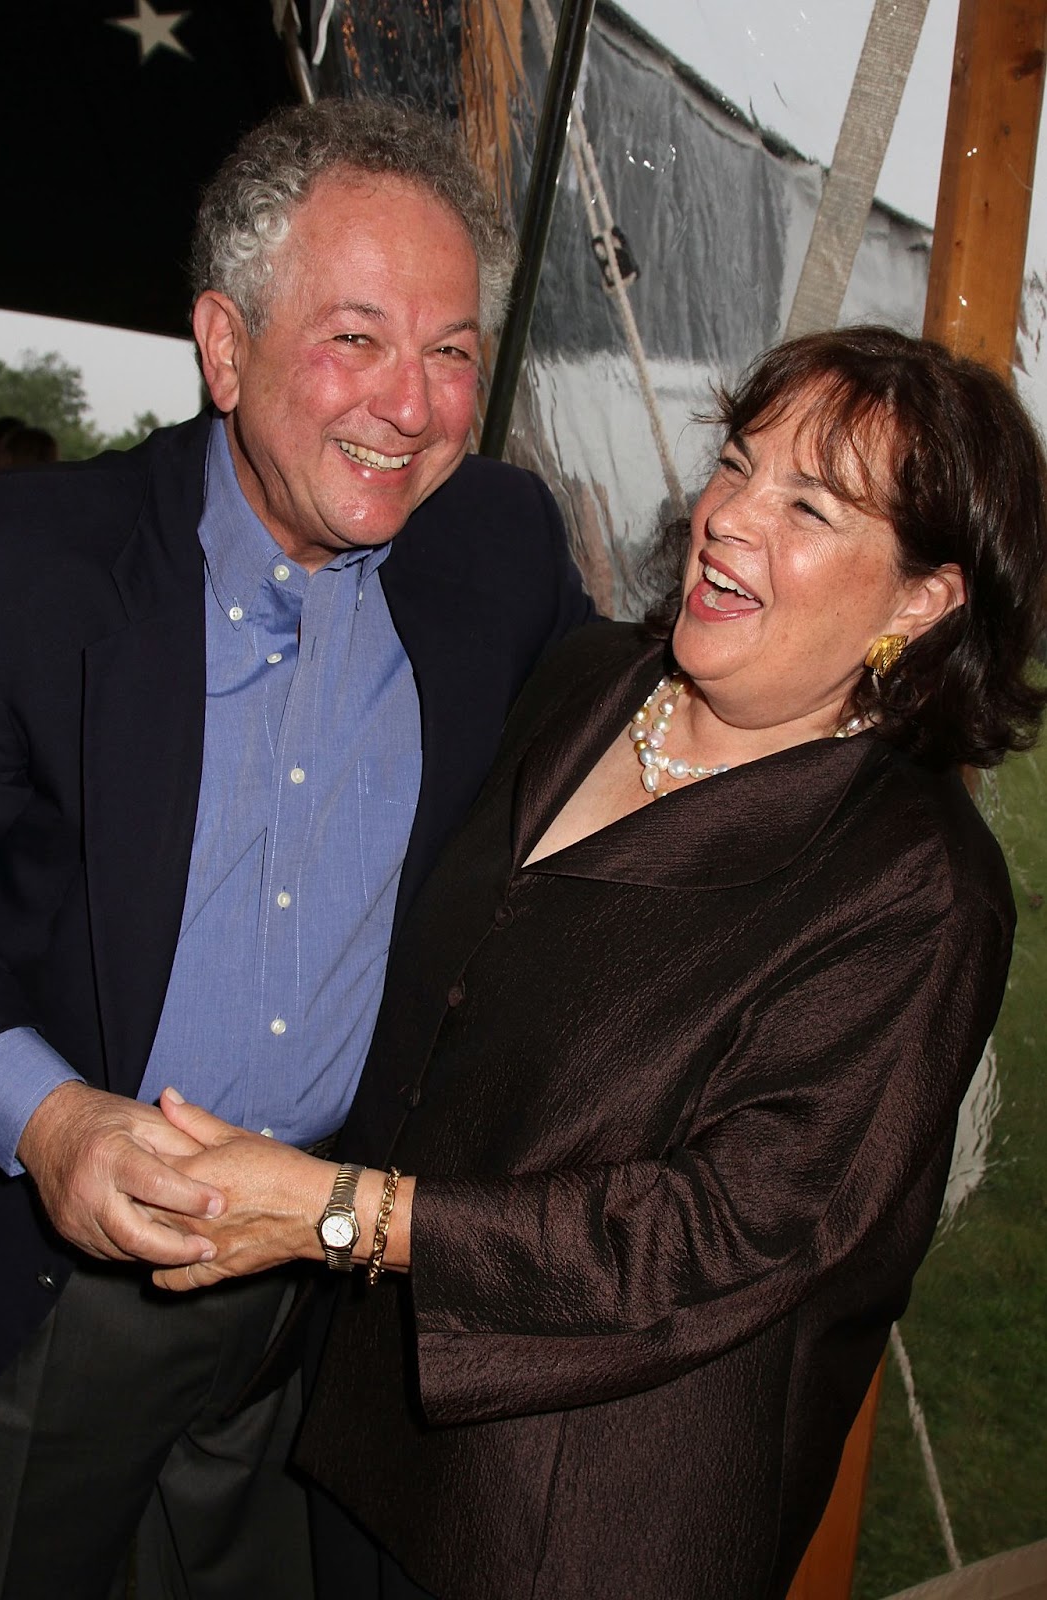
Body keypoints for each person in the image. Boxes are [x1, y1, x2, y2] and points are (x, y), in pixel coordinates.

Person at [152, 326, 1047, 1600]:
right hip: (362, 1425)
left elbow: (721, 1229)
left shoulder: (914, 886)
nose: (731, 517)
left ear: (921, 599)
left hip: (572, 1518)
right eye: (738, 465)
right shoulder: (586, 682)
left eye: (809, 505)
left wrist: (332, 1210)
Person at [0, 98, 590, 1600]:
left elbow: (634, 770)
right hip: (46, 1301)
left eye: (453, 352)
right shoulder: (27, 572)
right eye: (357, 338)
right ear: (225, 342)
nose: (414, 403)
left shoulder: (499, 553)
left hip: (318, 1313)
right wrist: (47, 1121)